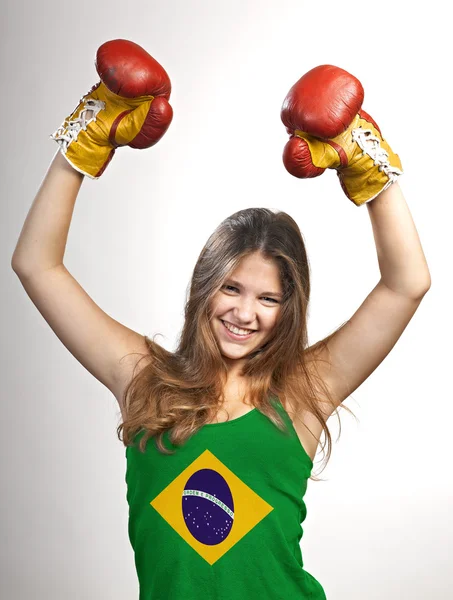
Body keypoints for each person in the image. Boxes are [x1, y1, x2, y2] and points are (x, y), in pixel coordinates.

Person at [11, 41, 431, 600]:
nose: (244, 313)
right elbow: (36, 265)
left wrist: (369, 166)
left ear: (288, 310)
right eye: (231, 288)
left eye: (268, 299)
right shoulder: (144, 380)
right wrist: (82, 146)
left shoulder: (303, 392)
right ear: (204, 289)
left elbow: (407, 284)